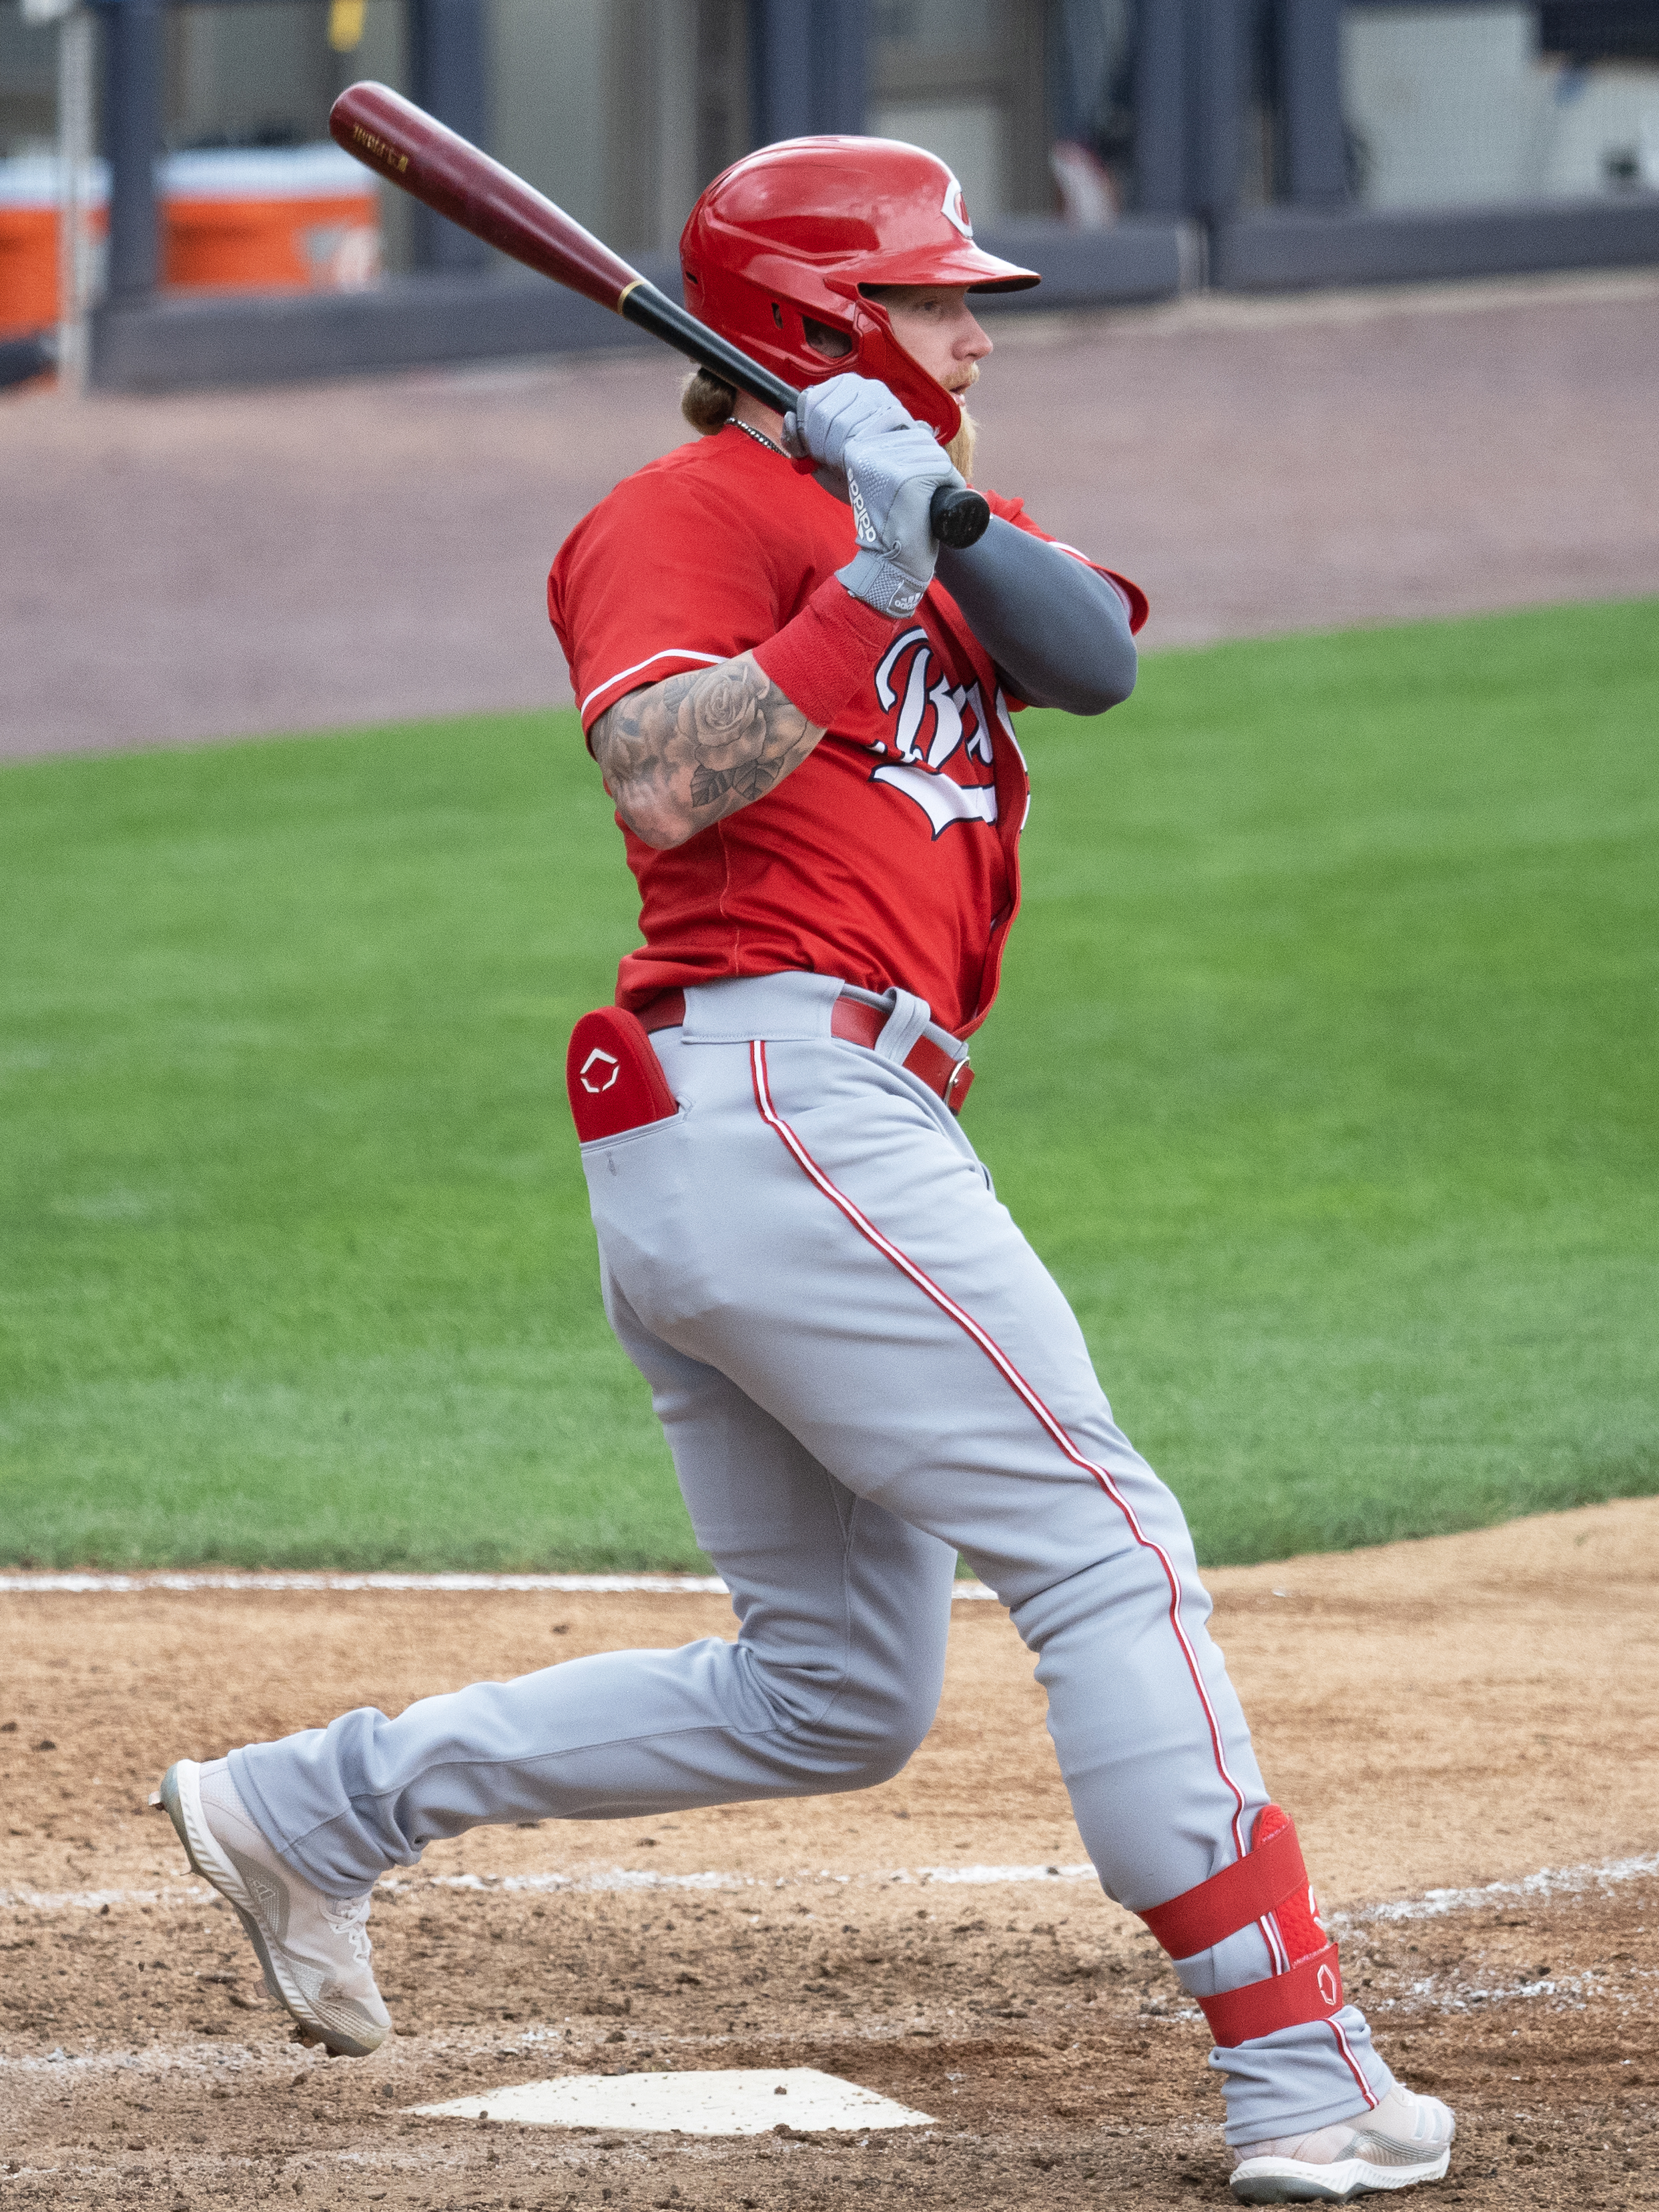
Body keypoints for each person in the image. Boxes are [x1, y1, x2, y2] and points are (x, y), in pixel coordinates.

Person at [161, 137, 1454, 2203]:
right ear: (820, 320)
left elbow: (1096, 656)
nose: (972, 330)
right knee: (1104, 1540)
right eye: (938, 300)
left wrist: (910, 499)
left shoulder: (911, 504)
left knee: (835, 1687)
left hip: (792, 1131)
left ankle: (319, 1808)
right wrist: (860, 570)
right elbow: (664, 782)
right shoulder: (672, 518)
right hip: (777, 1096)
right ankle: (1298, 2067)